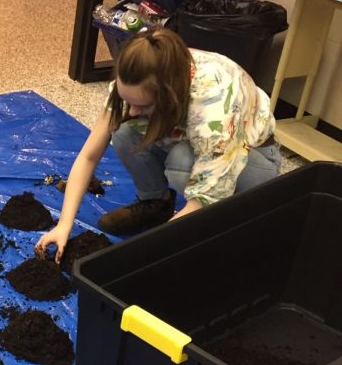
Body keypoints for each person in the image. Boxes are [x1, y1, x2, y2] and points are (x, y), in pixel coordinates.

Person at [36, 26, 280, 262]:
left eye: (142, 106)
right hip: (189, 133)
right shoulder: (142, 74)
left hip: (254, 159)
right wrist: (64, 224)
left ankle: (218, 232)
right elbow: (89, 156)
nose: (132, 109)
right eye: (127, 100)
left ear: (169, 96)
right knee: (123, 129)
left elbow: (205, 196)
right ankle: (156, 205)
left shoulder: (213, 113)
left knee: (182, 161)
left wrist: (141, 255)